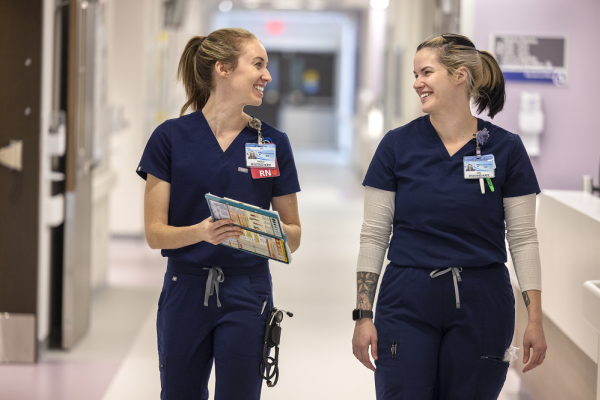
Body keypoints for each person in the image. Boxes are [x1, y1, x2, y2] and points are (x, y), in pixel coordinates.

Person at [351, 34, 547, 400]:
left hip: (482, 301)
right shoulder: (396, 145)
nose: (416, 83)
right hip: (407, 297)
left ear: (459, 75)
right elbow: (374, 234)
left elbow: (522, 237)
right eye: (415, 73)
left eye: (426, 72)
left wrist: (535, 319)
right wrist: (363, 314)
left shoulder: (505, 149)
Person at [136, 28, 301, 400]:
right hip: (186, 289)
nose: (267, 75)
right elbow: (154, 233)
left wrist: (263, 229)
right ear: (223, 68)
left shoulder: (272, 143)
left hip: (248, 289)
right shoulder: (170, 138)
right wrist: (201, 232)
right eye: (258, 64)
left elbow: (295, 234)